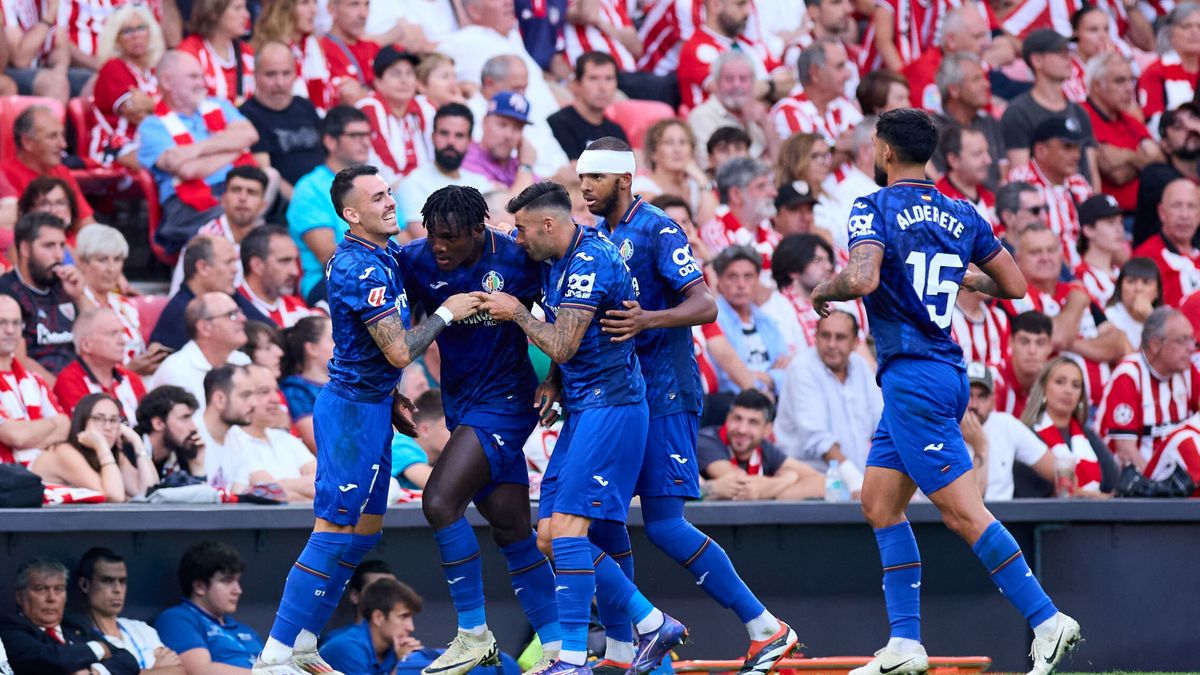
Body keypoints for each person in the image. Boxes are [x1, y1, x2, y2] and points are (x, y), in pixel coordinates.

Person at [810, 108, 1080, 675]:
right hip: (940, 373)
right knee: (879, 505)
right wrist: (954, 270)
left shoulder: (873, 205)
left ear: (884, 152)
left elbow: (861, 278)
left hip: (913, 377)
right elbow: (1015, 284)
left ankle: (1047, 619)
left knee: (963, 513)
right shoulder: (961, 211)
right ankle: (905, 644)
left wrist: (823, 288)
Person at [578, 139, 798, 672]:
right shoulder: (603, 235)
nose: (585, 186)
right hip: (623, 396)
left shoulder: (656, 228)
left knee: (664, 524)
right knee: (602, 521)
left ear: (624, 179)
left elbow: (705, 303)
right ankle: (623, 649)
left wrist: (647, 319)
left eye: (596, 177)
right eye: (582, 177)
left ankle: (765, 627)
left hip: (666, 392)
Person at [254, 164, 480, 673]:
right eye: (377, 197)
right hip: (351, 413)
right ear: (351, 214)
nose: (389, 202)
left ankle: (306, 640)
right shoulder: (361, 267)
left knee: (366, 532)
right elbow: (400, 350)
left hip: (374, 404)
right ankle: (273, 656)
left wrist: (393, 394)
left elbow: (382, 356)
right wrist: (449, 313)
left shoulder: (384, 255)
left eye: (389, 193)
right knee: (333, 529)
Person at [476, 182, 686, 675]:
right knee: (548, 534)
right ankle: (652, 623)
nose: (520, 241)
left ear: (550, 225)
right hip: (583, 406)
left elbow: (565, 342)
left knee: (569, 531)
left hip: (612, 407)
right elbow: (567, 349)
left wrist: (518, 312)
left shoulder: (590, 260)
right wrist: (552, 380)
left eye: (525, 231)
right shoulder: (556, 252)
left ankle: (572, 657)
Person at [395, 184, 562, 673]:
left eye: (449, 237)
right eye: (431, 235)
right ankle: (559, 647)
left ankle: (473, 634)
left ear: (478, 230)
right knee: (511, 527)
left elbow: (566, 320)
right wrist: (391, 391)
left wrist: (555, 379)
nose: (438, 246)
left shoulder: (518, 258)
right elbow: (392, 331)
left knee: (440, 501)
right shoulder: (417, 261)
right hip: (462, 405)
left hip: (510, 401)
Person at [138, 51, 259, 253]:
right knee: (239, 220)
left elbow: (250, 134)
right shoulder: (153, 126)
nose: (202, 82)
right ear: (167, 81)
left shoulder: (218, 105)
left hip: (235, 188)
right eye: (193, 77)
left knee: (272, 183)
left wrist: (197, 151)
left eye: (202, 76)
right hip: (188, 205)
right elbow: (186, 170)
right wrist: (234, 148)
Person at [1002, 225, 1131, 407]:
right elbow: (1056, 338)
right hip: (1052, 408)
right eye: (1035, 252)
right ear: (1018, 259)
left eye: (1051, 250)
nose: (1045, 257)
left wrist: (1070, 339)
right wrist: (1077, 304)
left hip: (1103, 403)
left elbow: (1118, 345)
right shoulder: (1016, 296)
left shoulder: (1073, 290)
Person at [774, 310, 880, 487]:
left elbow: (881, 422)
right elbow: (817, 439)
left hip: (857, 480)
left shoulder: (860, 366)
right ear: (815, 337)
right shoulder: (801, 368)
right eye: (825, 335)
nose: (831, 344)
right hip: (809, 484)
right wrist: (855, 480)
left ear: (855, 342)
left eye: (840, 337)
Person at [1099, 307, 1200, 485]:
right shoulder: (1128, 376)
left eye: (1192, 340)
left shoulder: (1186, 371)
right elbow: (1125, 453)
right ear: (1155, 344)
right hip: (1133, 488)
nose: (1191, 349)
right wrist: (1158, 490)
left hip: (1176, 483)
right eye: (1182, 341)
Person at [288, 106, 373, 299]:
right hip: (330, 282)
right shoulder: (309, 188)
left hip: (383, 271)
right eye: (355, 135)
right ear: (330, 141)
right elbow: (330, 256)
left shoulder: (373, 181)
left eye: (367, 135)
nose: (365, 142)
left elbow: (403, 235)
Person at [0, 559, 140, 675]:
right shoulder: (10, 627)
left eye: (59, 589)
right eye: (41, 589)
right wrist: (98, 648)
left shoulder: (75, 624)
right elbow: (53, 660)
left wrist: (96, 672)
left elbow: (128, 661)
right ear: (19, 596)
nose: (52, 598)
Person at [1000, 29, 1098, 187]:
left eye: (1068, 52)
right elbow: (1021, 175)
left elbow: (1091, 172)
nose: (1069, 58)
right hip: (1043, 203)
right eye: (1060, 53)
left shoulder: (1080, 112)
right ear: (1037, 60)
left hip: (1080, 201)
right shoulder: (1018, 112)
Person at [156, 541, 264, 673]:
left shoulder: (243, 628)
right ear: (199, 587)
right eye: (227, 581)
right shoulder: (176, 619)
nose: (238, 590)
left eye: (237, 581)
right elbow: (200, 671)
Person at [697, 388, 824, 500]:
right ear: (728, 418)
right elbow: (742, 487)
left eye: (753, 422)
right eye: (737, 418)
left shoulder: (763, 447)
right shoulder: (707, 441)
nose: (742, 429)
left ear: (767, 430)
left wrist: (775, 493)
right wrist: (787, 479)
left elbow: (821, 481)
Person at [29, 391, 157, 502]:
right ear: (82, 422)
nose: (108, 427)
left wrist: (137, 441)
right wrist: (102, 447)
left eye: (113, 420)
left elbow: (149, 493)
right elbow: (113, 496)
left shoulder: (109, 455)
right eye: (98, 419)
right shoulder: (63, 452)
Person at [76, 547, 186, 673]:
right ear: (85, 585)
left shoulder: (140, 628)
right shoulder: (77, 637)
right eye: (107, 581)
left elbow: (179, 671)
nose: (117, 589)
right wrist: (155, 670)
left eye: (122, 581)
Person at [75, 224, 166, 375]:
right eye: (102, 260)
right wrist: (128, 371)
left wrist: (152, 352)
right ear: (83, 262)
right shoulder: (75, 302)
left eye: (117, 259)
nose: (111, 269)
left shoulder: (125, 304)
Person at [168, 164, 271, 297]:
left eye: (251, 192)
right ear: (223, 199)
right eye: (236, 190)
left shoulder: (269, 240)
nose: (243, 198)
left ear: (263, 205)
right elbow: (180, 295)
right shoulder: (204, 239)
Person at [0, 213, 82, 381]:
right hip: (37, 389)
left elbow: (96, 339)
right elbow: (18, 358)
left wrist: (79, 296)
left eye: (62, 245)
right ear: (25, 249)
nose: (59, 255)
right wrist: (63, 392)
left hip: (77, 385)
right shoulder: (7, 292)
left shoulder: (65, 284)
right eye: (49, 246)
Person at [239, 42, 324, 202]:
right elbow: (267, 173)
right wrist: (303, 203)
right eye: (271, 74)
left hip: (325, 194)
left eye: (286, 73)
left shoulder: (304, 105)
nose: (280, 83)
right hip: (287, 205)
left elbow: (330, 154)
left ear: (295, 74)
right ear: (255, 75)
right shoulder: (247, 114)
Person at [1020, 358, 1118, 497]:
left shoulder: (1089, 436)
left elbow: (1114, 484)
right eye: (1060, 382)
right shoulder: (1027, 435)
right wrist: (1093, 497)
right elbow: (1032, 495)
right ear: (1043, 388)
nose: (1068, 391)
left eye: (1076, 385)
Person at [1007, 117, 1095, 270]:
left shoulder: (1078, 183)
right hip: (1044, 268)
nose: (1076, 156)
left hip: (1084, 270)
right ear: (1041, 150)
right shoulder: (1022, 180)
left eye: (1077, 148)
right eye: (1067, 147)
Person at [153, 234, 267, 351]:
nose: (235, 269)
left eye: (235, 262)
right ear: (202, 267)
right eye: (228, 262)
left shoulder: (229, 295)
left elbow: (271, 330)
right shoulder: (181, 314)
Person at [959, 363, 1054, 501]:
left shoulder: (1006, 425)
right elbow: (969, 507)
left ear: (993, 400)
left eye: (982, 396)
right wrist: (981, 449)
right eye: (968, 395)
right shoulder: (943, 431)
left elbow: (1054, 469)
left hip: (1005, 518)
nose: (974, 405)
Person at [1082, 53, 1162, 214]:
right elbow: (1115, 175)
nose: (1129, 88)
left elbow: (1159, 163)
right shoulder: (1082, 115)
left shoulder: (1130, 120)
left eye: (1131, 80)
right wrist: (1141, 159)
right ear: (1097, 85)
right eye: (1120, 81)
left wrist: (1126, 157)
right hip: (1112, 217)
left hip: (1144, 214)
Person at [397, 104, 492, 237]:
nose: (450, 142)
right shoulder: (413, 184)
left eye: (459, 135)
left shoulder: (481, 183)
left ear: (470, 142)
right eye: (444, 133)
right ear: (433, 137)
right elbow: (425, 239)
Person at [89, 3, 164, 169]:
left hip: (149, 141)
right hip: (115, 145)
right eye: (127, 31)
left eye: (141, 28)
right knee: (167, 161)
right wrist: (161, 106)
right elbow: (134, 112)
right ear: (116, 38)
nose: (136, 35)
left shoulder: (152, 71)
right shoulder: (113, 67)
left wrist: (149, 104)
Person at [150, 293, 253, 411]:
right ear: (205, 328)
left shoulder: (242, 360)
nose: (243, 319)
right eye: (232, 315)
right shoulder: (176, 371)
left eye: (240, 312)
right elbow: (186, 428)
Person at [0, 295, 70, 467]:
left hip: (39, 475)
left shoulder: (34, 380)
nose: (10, 330)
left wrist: (24, 438)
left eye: (16, 323)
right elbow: (15, 436)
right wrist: (52, 424)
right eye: (2, 322)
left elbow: (65, 427)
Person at [676, 0, 783, 111]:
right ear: (715, 4)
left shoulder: (748, 44)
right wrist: (772, 88)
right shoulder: (695, 48)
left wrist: (765, 88)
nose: (748, 12)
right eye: (740, 4)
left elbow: (788, 81)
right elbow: (733, 96)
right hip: (716, 125)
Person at [1, 107, 97, 228]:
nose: (63, 144)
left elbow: (86, 224)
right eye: (52, 137)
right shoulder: (3, 176)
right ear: (27, 142)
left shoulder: (62, 172)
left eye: (62, 136)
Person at [712, 245, 789, 395]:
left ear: (757, 279)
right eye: (732, 276)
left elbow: (788, 370)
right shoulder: (714, 321)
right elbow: (725, 379)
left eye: (748, 276)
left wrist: (759, 377)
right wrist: (771, 377)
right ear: (719, 280)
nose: (741, 285)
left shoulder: (767, 321)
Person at [233, 364, 317, 502]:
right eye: (264, 392)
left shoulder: (285, 438)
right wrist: (302, 488)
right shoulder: (234, 439)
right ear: (244, 396)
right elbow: (272, 497)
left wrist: (282, 486)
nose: (276, 399)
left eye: (276, 391)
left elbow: (323, 485)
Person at [53, 308, 148, 421]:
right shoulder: (69, 381)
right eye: (112, 334)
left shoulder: (131, 378)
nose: (122, 341)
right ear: (86, 345)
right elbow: (88, 431)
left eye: (121, 333)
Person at [357, 47, 431, 187]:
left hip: (423, 187)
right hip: (387, 190)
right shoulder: (369, 108)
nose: (404, 80)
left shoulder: (423, 107)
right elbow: (379, 164)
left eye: (409, 73)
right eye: (396, 74)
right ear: (378, 81)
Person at [932, 52, 1006, 192]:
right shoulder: (932, 130)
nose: (986, 84)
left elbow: (1003, 172)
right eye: (976, 79)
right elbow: (940, 184)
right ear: (954, 89)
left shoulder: (989, 122)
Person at [900, 2, 991, 112]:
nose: (985, 43)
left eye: (984, 35)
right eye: (977, 37)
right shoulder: (927, 73)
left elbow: (985, 113)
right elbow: (929, 125)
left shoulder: (973, 64)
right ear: (951, 41)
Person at [769, 37, 860, 147]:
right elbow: (806, 160)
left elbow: (870, 139)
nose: (848, 74)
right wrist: (839, 145)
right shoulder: (788, 111)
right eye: (839, 67)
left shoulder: (842, 104)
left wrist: (843, 145)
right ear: (816, 73)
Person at [688, 50, 771, 166]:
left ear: (752, 83)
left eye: (743, 79)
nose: (737, 85)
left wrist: (766, 124)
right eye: (729, 79)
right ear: (716, 83)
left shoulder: (758, 113)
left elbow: (779, 162)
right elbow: (713, 166)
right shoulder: (701, 116)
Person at [1135, 103, 1200, 247]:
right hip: (1157, 264)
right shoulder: (1155, 174)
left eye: (1194, 120)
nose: (1190, 129)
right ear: (1165, 145)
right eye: (1178, 127)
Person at [633, 120, 719, 227]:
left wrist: (701, 178)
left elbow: (712, 226)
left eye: (683, 142)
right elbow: (669, 227)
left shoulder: (695, 184)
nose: (677, 150)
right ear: (653, 152)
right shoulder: (641, 186)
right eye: (669, 143)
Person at [699, 159, 779, 271]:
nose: (774, 193)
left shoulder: (774, 238)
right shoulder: (713, 232)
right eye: (761, 186)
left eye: (771, 185)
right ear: (736, 195)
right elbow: (739, 281)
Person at [1131, 178, 1200, 307]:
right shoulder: (1145, 257)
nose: (1184, 215)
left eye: (1191, 206)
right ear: (1162, 212)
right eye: (1176, 205)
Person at [547, 52, 628, 160]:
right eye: (593, 78)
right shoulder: (557, 123)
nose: (602, 87)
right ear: (577, 84)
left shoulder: (616, 131)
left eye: (609, 78)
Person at [1137, 3, 1200, 136]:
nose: (1195, 32)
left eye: (1199, 26)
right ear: (1170, 33)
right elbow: (1153, 123)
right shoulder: (1155, 72)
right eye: (1186, 26)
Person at [177, 0, 256, 105]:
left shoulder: (247, 53)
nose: (246, 15)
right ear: (214, 13)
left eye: (245, 8)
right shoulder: (189, 53)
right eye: (238, 8)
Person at [462, 92, 537, 197]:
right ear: (485, 122)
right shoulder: (467, 157)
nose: (508, 135)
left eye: (517, 128)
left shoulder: (516, 165)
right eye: (502, 124)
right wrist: (526, 168)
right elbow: (507, 210)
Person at [237, 226, 313, 328]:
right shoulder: (233, 310)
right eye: (285, 261)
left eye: (295, 261)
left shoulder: (298, 308)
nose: (295, 272)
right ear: (257, 265)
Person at [280, 316, 332, 452]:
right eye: (334, 340)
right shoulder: (296, 390)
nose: (344, 345)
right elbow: (320, 444)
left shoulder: (351, 381)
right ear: (312, 349)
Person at [133, 385, 204, 478]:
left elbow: (199, 491)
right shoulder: (129, 452)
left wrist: (196, 465)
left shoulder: (181, 455)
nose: (193, 428)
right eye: (185, 418)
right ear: (158, 423)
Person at [935, 126, 995, 228]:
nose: (988, 160)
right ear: (953, 160)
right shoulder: (938, 201)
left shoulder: (990, 196)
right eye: (977, 154)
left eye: (987, 152)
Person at [389, 389, 449, 489]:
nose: (455, 432)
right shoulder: (399, 445)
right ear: (425, 430)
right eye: (447, 426)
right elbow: (442, 487)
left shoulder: (440, 460)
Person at [1073, 195, 1126, 307]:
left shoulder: (1122, 273)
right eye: (1111, 222)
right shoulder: (1080, 277)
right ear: (1088, 230)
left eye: (1121, 222)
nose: (1119, 229)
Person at [1104, 258, 1162, 348]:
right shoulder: (1108, 317)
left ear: (1157, 292)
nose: (1138, 288)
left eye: (1146, 282)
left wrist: (1150, 318)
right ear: (1120, 288)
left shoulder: (1165, 321)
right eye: (1130, 281)